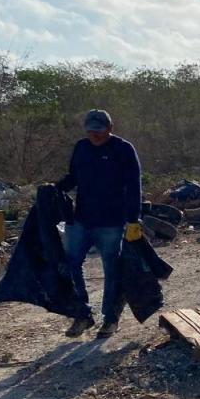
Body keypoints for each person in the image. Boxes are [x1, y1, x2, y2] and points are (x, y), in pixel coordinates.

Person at [56, 109, 142, 338]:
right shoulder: (81, 148)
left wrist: (134, 220)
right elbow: (73, 177)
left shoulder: (123, 150)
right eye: (91, 131)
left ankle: (110, 319)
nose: (95, 135)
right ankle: (82, 314)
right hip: (81, 219)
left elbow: (134, 187)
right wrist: (53, 189)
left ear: (110, 128)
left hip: (112, 222)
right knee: (70, 264)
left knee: (112, 271)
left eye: (100, 131)